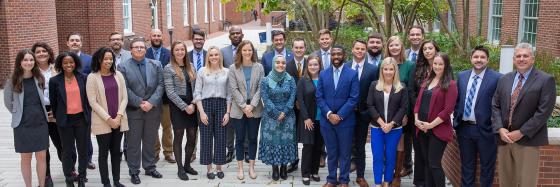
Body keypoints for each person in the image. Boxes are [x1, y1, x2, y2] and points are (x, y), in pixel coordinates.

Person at [491, 43, 556, 187]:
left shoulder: (545, 80)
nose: (521, 59)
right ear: (514, 59)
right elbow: (495, 105)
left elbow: (543, 112)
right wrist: (500, 129)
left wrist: (521, 132)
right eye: (518, 56)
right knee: (506, 182)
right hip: (505, 140)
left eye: (525, 56)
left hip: (528, 141)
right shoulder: (504, 79)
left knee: (527, 182)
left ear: (533, 59)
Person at [118, 38, 165, 184]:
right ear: (130, 49)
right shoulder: (122, 67)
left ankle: (150, 167)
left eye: (142, 47)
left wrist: (151, 102)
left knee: (150, 140)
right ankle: (134, 171)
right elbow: (124, 88)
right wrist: (139, 102)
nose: (139, 49)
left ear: (146, 49)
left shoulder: (156, 64)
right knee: (133, 143)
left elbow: (161, 85)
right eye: (136, 47)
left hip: (152, 110)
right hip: (133, 111)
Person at [453, 46, 502, 187]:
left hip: (486, 131)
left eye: (482, 57)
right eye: (476, 57)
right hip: (464, 129)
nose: (478, 60)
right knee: (467, 167)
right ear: (471, 59)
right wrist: (456, 119)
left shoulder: (497, 78)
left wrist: (496, 126)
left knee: (487, 168)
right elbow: (458, 100)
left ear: (487, 60)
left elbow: (500, 104)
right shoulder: (462, 76)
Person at [4, 49, 49, 187]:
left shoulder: (39, 77)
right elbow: (7, 102)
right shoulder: (12, 80)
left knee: (41, 157)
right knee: (26, 157)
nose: (28, 62)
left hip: (40, 122)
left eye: (31, 59)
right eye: (25, 60)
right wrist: (18, 113)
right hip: (22, 124)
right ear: (20, 62)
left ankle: (41, 185)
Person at [316, 46, 360, 187]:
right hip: (327, 121)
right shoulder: (323, 74)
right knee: (332, 151)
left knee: (345, 153)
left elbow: (354, 98)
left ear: (344, 55)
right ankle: (331, 179)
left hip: (345, 121)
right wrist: (329, 114)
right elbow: (319, 97)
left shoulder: (352, 74)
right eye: (333, 54)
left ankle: (344, 180)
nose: (336, 56)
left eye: (339, 54)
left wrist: (339, 116)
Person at [86, 47, 129, 187]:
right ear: (99, 60)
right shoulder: (92, 77)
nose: (109, 61)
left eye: (111, 59)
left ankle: (116, 181)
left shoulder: (119, 75)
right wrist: (109, 119)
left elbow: (124, 98)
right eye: (106, 59)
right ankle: (106, 182)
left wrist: (118, 116)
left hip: (119, 120)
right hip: (102, 121)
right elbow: (92, 102)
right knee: (103, 153)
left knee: (116, 152)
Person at [413, 52, 457, 187]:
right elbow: (418, 103)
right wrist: (416, 120)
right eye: (435, 64)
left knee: (434, 163)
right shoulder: (427, 81)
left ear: (446, 66)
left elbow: (448, 110)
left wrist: (430, 125)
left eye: (440, 64)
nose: (437, 66)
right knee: (426, 162)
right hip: (422, 128)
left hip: (438, 130)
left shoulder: (451, 84)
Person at [49, 52, 91, 187]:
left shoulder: (83, 78)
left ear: (76, 63)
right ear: (60, 64)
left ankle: (82, 177)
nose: (68, 65)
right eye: (65, 62)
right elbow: (54, 101)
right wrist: (57, 117)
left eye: (71, 62)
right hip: (65, 120)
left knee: (82, 150)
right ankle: (69, 177)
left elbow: (88, 100)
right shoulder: (54, 81)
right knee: (67, 150)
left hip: (81, 120)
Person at [367, 57, 409, 187]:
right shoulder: (374, 85)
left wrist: (391, 124)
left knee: (391, 157)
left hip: (394, 129)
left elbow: (403, 108)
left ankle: (386, 182)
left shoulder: (401, 87)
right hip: (377, 128)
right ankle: (378, 183)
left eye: (391, 69)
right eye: (386, 69)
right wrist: (381, 123)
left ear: (395, 70)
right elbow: (370, 105)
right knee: (378, 156)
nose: (388, 72)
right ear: (382, 70)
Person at [228, 40, 264, 180]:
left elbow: (261, 88)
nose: (247, 53)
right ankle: (240, 168)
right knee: (240, 138)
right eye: (244, 50)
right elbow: (233, 89)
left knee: (253, 138)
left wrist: (252, 106)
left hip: (255, 107)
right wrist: (244, 106)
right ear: (240, 52)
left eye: (250, 50)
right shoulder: (233, 68)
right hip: (239, 108)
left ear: (253, 52)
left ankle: (251, 168)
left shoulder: (259, 67)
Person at [194, 46, 231, 180]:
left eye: (216, 55)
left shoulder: (226, 72)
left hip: (222, 105)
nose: (214, 57)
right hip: (206, 105)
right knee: (206, 138)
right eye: (211, 55)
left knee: (221, 138)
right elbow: (197, 93)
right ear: (208, 57)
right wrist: (202, 113)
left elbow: (229, 94)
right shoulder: (202, 71)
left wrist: (227, 113)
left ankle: (219, 167)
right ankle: (209, 168)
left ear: (220, 57)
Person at [258, 54, 298, 181]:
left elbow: (293, 97)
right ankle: (275, 167)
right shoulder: (265, 80)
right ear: (273, 64)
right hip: (270, 117)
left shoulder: (290, 79)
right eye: (278, 62)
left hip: (288, 116)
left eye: (283, 63)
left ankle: (283, 167)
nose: (280, 65)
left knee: (285, 141)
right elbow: (265, 98)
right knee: (274, 141)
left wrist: (284, 112)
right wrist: (276, 113)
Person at [163, 41, 199, 180]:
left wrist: (194, 103)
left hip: (192, 104)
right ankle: (180, 169)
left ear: (185, 51)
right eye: (177, 50)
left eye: (182, 49)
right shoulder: (168, 68)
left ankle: (187, 165)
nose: (180, 52)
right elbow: (170, 92)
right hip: (178, 107)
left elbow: (196, 88)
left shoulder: (191, 67)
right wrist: (185, 107)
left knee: (192, 136)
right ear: (173, 52)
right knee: (178, 136)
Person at [407, 40, 440, 186]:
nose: (427, 51)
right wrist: (418, 111)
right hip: (417, 117)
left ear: (436, 50)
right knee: (419, 150)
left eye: (430, 48)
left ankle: (430, 181)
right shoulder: (416, 67)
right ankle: (420, 181)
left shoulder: (443, 67)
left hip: (436, 119)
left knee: (432, 154)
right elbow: (411, 91)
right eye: (424, 49)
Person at [384, 35, 414, 185]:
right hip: (384, 112)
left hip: (401, 113)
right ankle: (387, 174)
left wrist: (405, 113)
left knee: (399, 143)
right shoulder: (383, 65)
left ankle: (397, 175)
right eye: (391, 45)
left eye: (397, 45)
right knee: (386, 144)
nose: (394, 48)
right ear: (387, 48)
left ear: (401, 47)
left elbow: (410, 91)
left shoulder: (409, 65)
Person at [32, 42, 62, 187]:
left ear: (49, 53)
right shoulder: (30, 71)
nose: (42, 54)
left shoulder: (57, 68)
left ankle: (69, 169)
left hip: (55, 109)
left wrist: (57, 111)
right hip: (38, 111)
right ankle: (46, 176)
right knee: (43, 147)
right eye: (38, 52)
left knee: (61, 143)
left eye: (44, 51)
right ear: (34, 55)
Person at [348, 39, 376, 187]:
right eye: (357, 48)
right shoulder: (345, 67)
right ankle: (344, 176)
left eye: (362, 49)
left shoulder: (372, 69)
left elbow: (374, 92)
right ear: (352, 50)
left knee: (360, 146)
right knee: (345, 145)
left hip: (363, 114)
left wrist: (368, 113)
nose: (359, 51)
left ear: (366, 51)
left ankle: (360, 176)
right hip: (346, 114)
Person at [146, 29, 175, 164]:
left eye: (158, 35)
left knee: (167, 126)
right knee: (152, 127)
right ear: (150, 37)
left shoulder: (168, 54)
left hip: (165, 98)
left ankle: (168, 152)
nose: (156, 38)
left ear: (162, 37)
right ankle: (155, 152)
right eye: (154, 36)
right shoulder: (144, 53)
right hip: (150, 97)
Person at [66, 32, 95, 170]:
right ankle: (72, 162)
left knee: (85, 133)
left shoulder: (89, 60)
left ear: (81, 43)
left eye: (77, 40)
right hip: (68, 103)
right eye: (72, 40)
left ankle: (88, 159)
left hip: (85, 102)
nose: (75, 42)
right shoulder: (62, 59)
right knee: (69, 136)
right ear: (67, 43)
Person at [221, 26, 249, 162]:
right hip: (228, 94)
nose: (236, 35)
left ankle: (245, 150)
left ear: (242, 35)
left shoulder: (249, 50)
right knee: (229, 124)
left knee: (245, 123)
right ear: (229, 36)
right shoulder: (223, 52)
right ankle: (230, 150)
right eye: (233, 33)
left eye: (238, 33)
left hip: (245, 94)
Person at [296, 55, 323, 185]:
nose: (313, 67)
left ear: (320, 66)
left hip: (322, 119)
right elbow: (300, 101)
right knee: (308, 146)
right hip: (308, 119)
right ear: (307, 66)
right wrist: (306, 118)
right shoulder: (303, 80)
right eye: (311, 64)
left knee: (318, 146)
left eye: (315, 64)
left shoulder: (324, 79)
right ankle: (305, 173)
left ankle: (314, 171)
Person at [402, 26, 425, 179]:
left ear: (422, 36)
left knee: (420, 139)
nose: (415, 37)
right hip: (406, 104)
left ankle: (421, 170)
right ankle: (407, 165)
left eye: (418, 34)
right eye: (412, 34)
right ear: (408, 37)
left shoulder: (428, 54)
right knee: (406, 137)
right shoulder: (405, 55)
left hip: (421, 105)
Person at [285, 38, 307, 173]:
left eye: (301, 47)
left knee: (307, 134)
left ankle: (307, 161)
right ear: (292, 49)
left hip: (307, 106)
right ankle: (293, 161)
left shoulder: (311, 65)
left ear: (305, 49)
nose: (299, 50)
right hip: (291, 107)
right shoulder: (286, 66)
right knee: (292, 135)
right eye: (296, 47)